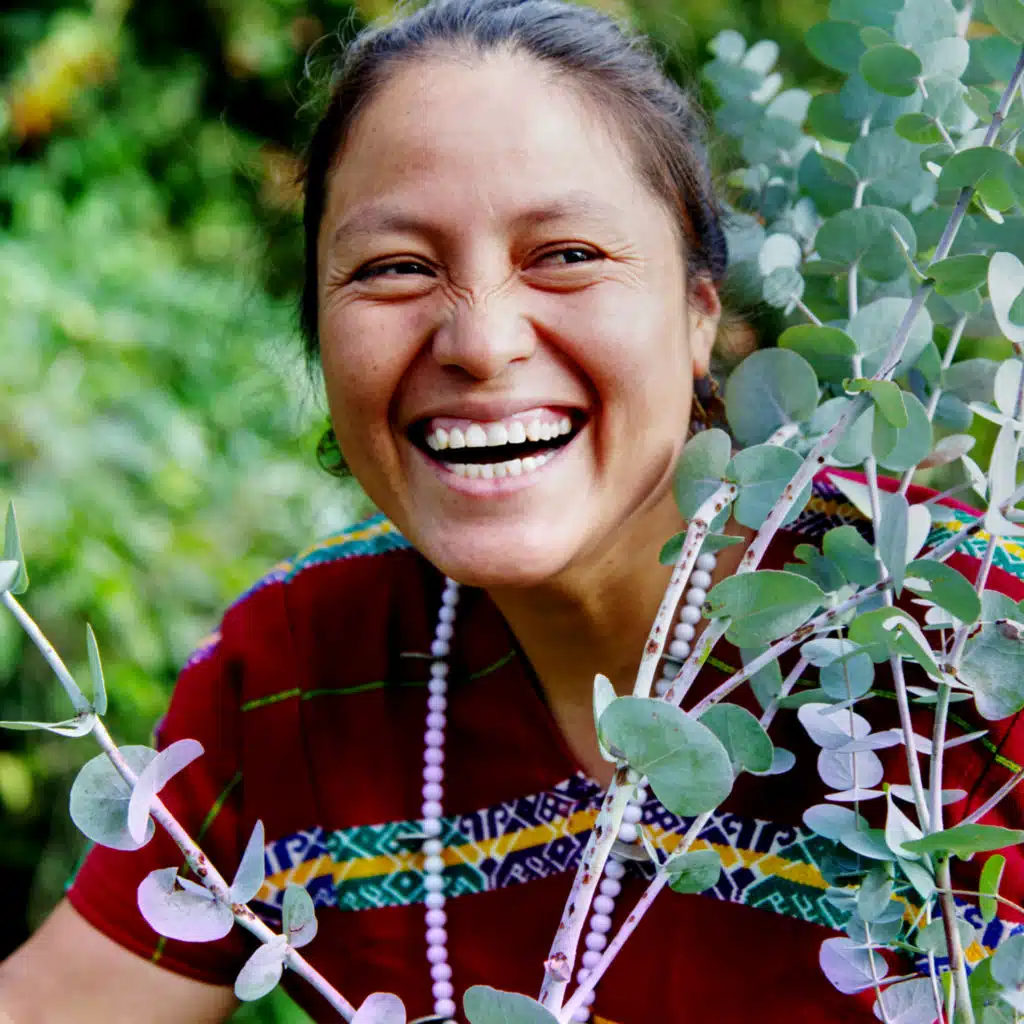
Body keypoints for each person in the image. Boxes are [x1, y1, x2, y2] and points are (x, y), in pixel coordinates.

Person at [1, 0, 1022, 1020]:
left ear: (697, 313)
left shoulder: (974, 657)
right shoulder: (299, 676)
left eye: (567, 255)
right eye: (396, 268)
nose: (481, 344)